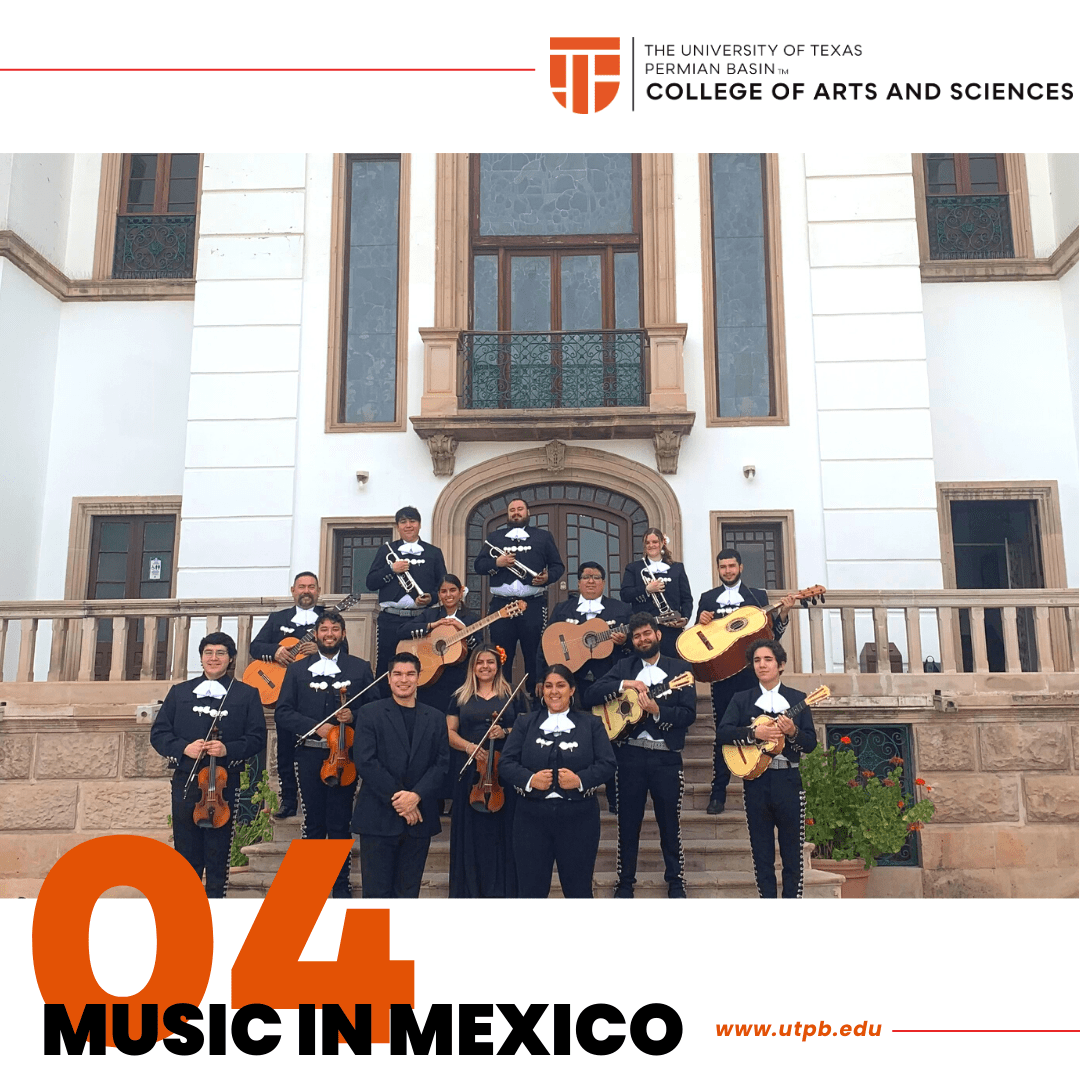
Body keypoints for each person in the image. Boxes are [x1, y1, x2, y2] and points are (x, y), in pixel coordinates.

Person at [584, 613, 697, 899]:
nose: (643, 639)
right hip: (629, 756)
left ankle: (675, 881)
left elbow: (688, 715)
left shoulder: (680, 670)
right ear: (632, 641)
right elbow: (591, 694)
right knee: (627, 823)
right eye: (637, 636)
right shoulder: (625, 666)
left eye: (647, 633)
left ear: (658, 635)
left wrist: (659, 712)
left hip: (665, 757)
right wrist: (625, 685)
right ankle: (625, 883)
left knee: (670, 822)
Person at [150, 632, 266, 898]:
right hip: (187, 782)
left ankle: (216, 908)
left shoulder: (246, 694)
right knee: (186, 851)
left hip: (225, 784)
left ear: (231, 659)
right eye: (208, 653)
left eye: (220, 653)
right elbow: (159, 734)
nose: (214, 658)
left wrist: (229, 748)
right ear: (201, 658)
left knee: (218, 852)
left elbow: (257, 737)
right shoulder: (180, 692)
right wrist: (183, 748)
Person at [273, 610, 374, 898]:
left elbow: (376, 708)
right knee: (314, 822)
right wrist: (316, 728)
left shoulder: (360, 668)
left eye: (334, 629)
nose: (329, 634)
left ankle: (340, 887)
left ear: (343, 634)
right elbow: (283, 713)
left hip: (345, 757)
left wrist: (354, 714)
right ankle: (312, 887)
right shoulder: (297, 670)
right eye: (324, 629)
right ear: (316, 634)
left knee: (340, 823)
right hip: (310, 754)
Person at [694, 549, 797, 815]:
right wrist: (702, 621)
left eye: (731, 566)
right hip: (722, 678)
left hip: (751, 677)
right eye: (723, 567)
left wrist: (783, 614)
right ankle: (718, 794)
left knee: (759, 731)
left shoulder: (757, 597)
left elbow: (771, 636)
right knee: (724, 734)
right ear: (718, 569)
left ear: (740, 567)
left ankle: (759, 792)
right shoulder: (707, 598)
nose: (727, 571)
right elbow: (699, 641)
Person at [499, 664, 616, 898]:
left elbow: (608, 764)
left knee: (578, 891)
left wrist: (580, 780)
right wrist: (530, 779)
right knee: (530, 892)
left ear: (572, 690)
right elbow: (506, 763)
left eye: (561, 685)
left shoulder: (591, 724)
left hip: (579, 819)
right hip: (530, 818)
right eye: (549, 686)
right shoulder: (525, 724)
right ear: (542, 690)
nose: (554, 691)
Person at [716, 639, 817, 898]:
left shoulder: (798, 699)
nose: (762, 665)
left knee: (792, 852)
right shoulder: (742, 699)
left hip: (788, 780)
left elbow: (811, 744)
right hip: (756, 782)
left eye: (768, 659)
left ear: (781, 665)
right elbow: (723, 734)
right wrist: (753, 733)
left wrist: (793, 731)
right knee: (761, 852)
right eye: (757, 660)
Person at [351, 652, 450, 898]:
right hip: (378, 817)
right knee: (375, 894)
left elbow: (441, 764)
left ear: (418, 678)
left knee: (408, 894)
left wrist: (416, 796)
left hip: (419, 820)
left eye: (409, 674)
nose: (403, 680)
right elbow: (365, 761)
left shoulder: (436, 718)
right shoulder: (369, 713)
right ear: (388, 678)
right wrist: (401, 800)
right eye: (398, 674)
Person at [537, 560, 631, 813]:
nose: (591, 580)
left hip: (607, 685)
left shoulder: (620, 610)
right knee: (571, 738)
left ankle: (615, 798)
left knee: (610, 740)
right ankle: (569, 790)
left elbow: (633, 646)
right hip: (570, 686)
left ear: (603, 582)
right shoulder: (562, 608)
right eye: (586, 576)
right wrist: (540, 678)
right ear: (578, 583)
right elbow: (545, 644)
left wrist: (624, 641)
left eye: (596, 577)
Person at [445, 646, 525, 897]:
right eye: (479, 662)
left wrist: (506, 732)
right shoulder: (460, 696)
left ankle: (501, 890)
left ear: (498, 665)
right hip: (472, 774)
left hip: (504, 772)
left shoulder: (512, 693)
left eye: (490, 662)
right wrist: (469, 746)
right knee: (471, 832)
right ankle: (470, 889)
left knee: (502, 830)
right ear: (473, 667)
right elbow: (448, 733)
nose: (485, 667)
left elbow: (526, 728)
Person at [248, 570, 324, 819]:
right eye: (301, 586)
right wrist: (276, 651)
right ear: (293, 590)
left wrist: (321, 647)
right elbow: (255, 647)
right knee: (285, 750)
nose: (306, 591)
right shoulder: (278, 617)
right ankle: (288, 800)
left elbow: (343, 647)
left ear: (318, 591)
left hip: (316, 693)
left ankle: (321, 799)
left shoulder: (327, 618)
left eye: (311, 587)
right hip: (284, 693)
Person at [474, 496, 564, 697]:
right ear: (508, 514)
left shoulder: (542, 536)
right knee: (501, 654)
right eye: (512, 509)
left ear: (528, 513)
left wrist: (548, 577)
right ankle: (501, 697)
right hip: (501, 605)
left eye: (520, 509)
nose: (516, 512)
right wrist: (497, 562)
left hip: (532, 604)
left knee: (534, 653)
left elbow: (558, 566)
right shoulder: (495, 538)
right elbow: (478, 565)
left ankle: (535, 697)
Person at [366, 506, 447, 684]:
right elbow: (371, 582)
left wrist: (431, 598)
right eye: (403, 522)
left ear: (419, 525)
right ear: (398, 526)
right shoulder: (386, 551)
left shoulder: (433, 552)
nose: (408, 525)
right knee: (386, 664)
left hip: (420, 618)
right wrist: (391, 569)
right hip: (390, 619)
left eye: (412, 521)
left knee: (422, 663)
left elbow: (442, 587)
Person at [398, 574, 480, 715]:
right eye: (444, 591)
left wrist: (464, 630)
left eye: (452, 590)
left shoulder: (471, 618)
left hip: (458, 680)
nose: (448, 595)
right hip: (430, 679)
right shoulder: (430, 614)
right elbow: (401, 631)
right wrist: (431, 625)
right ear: (439, 595)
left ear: (461, 592)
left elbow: (479, 649)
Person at [620, 528, 692, 657]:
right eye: (648, 543)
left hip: (671, 629)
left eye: (655, 542)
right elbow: (625, 595)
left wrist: (685, 618)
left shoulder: (677, 568)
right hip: (644, 630)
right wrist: (646, 589)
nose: (651, 545)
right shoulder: (634, 568)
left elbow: (686, 599)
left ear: (662, 543)